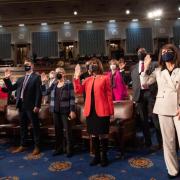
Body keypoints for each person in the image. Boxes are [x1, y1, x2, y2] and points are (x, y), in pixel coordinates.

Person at [140, 44, 180, 179]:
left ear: (175, 53)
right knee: (168, 141)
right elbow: (144, 83)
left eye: (168, 51)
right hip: (163, 107)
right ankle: (172, 170)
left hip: (179, 108)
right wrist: (145, 68)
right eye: (163, 52)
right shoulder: (158, 71)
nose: (165, 53)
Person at [73, 58, 114, 167]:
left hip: (103, 110)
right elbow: (78, 90)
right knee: (94, 135)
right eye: (91, 64)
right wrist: (76, 76)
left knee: (103, 135)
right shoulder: (87, 79)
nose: (93, 65)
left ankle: (104, 157)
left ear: (99, 66)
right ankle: (96, 156)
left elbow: (109, 96)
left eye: (95, 64)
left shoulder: (105, 78)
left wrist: (111, 112)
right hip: (90, 111)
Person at [3, 58, 42, 155]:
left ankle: (37, 146)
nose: (26, 66)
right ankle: (23, 145)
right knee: (23, 126)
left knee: (35, 126)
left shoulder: (36, 78)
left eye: (28, 64)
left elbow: (38, 93)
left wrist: (37, 105)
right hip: (21, 105)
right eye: (25, 64)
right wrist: (7, 79)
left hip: (31, 106)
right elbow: (11, 88)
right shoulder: (21, 79)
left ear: (32, 66)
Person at [41, 68, 76, 157]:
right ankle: (59, 148)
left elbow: (72, 98)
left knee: (67, 130)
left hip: (65, 110)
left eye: (60, 73)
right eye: (57, 73)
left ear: (64, 74)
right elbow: (45, 93)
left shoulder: (68, 83)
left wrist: (72, 110)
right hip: (55, 111)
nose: (58, 74)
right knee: (58, 130)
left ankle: (69, 149)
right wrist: (44, 83)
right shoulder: (54, 84)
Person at [131, 48, 159, 151]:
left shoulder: (154, 64)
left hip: (151, 94)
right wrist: (134, 97)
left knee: (155, 119)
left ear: (146, 53)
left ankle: (160, 143)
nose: (141, 53)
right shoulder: (134, 67)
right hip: (139, 95)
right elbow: (135, 83)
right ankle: (148, 143)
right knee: (143, 121)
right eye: (139, 51)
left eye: (143, 51)